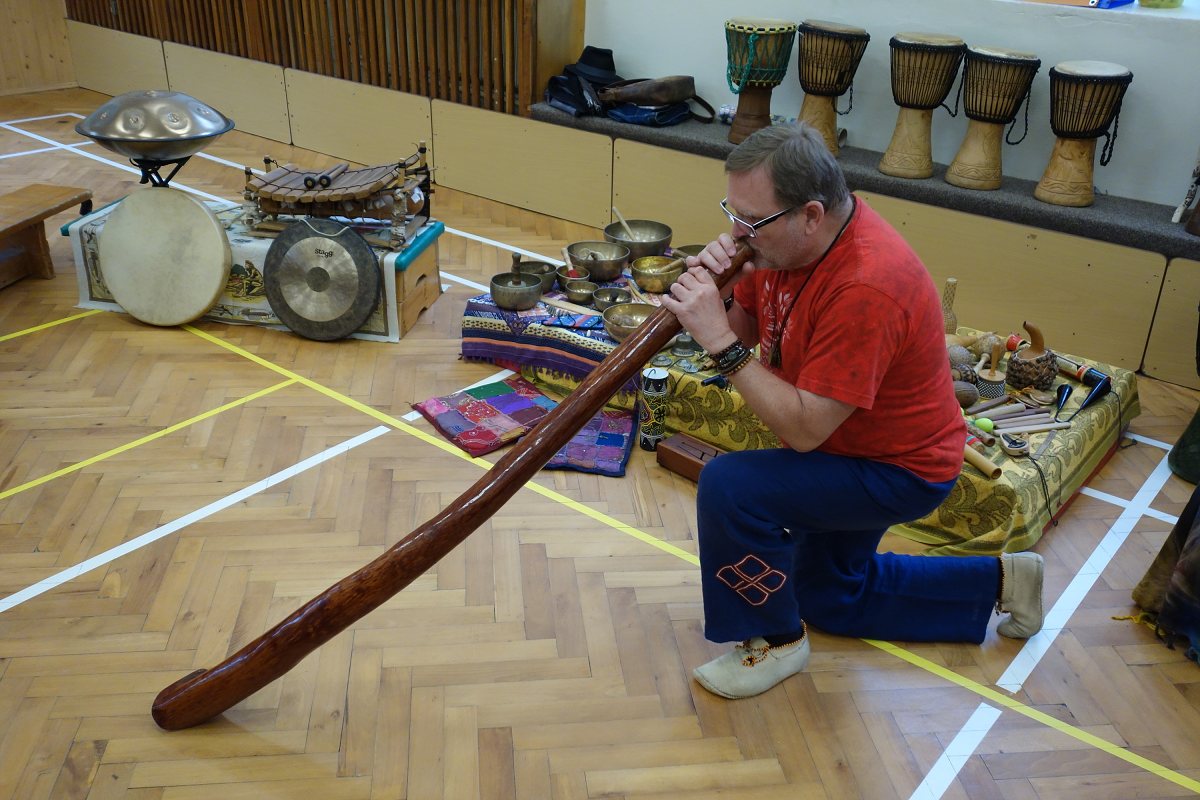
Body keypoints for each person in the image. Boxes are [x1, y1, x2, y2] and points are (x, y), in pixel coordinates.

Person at [658, 123, 1045, 700]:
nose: (736, 232)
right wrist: (729, 294)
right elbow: (753, 328)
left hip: (899, 469)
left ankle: (775, 642)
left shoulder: (867, 284)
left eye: (751, 220)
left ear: (811, 214)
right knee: (828, 596)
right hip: (854, 446)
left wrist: (720, 343)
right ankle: (1004, 580)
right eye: (731, 212)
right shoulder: (785, 244)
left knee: (731, 486)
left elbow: (806, 430)